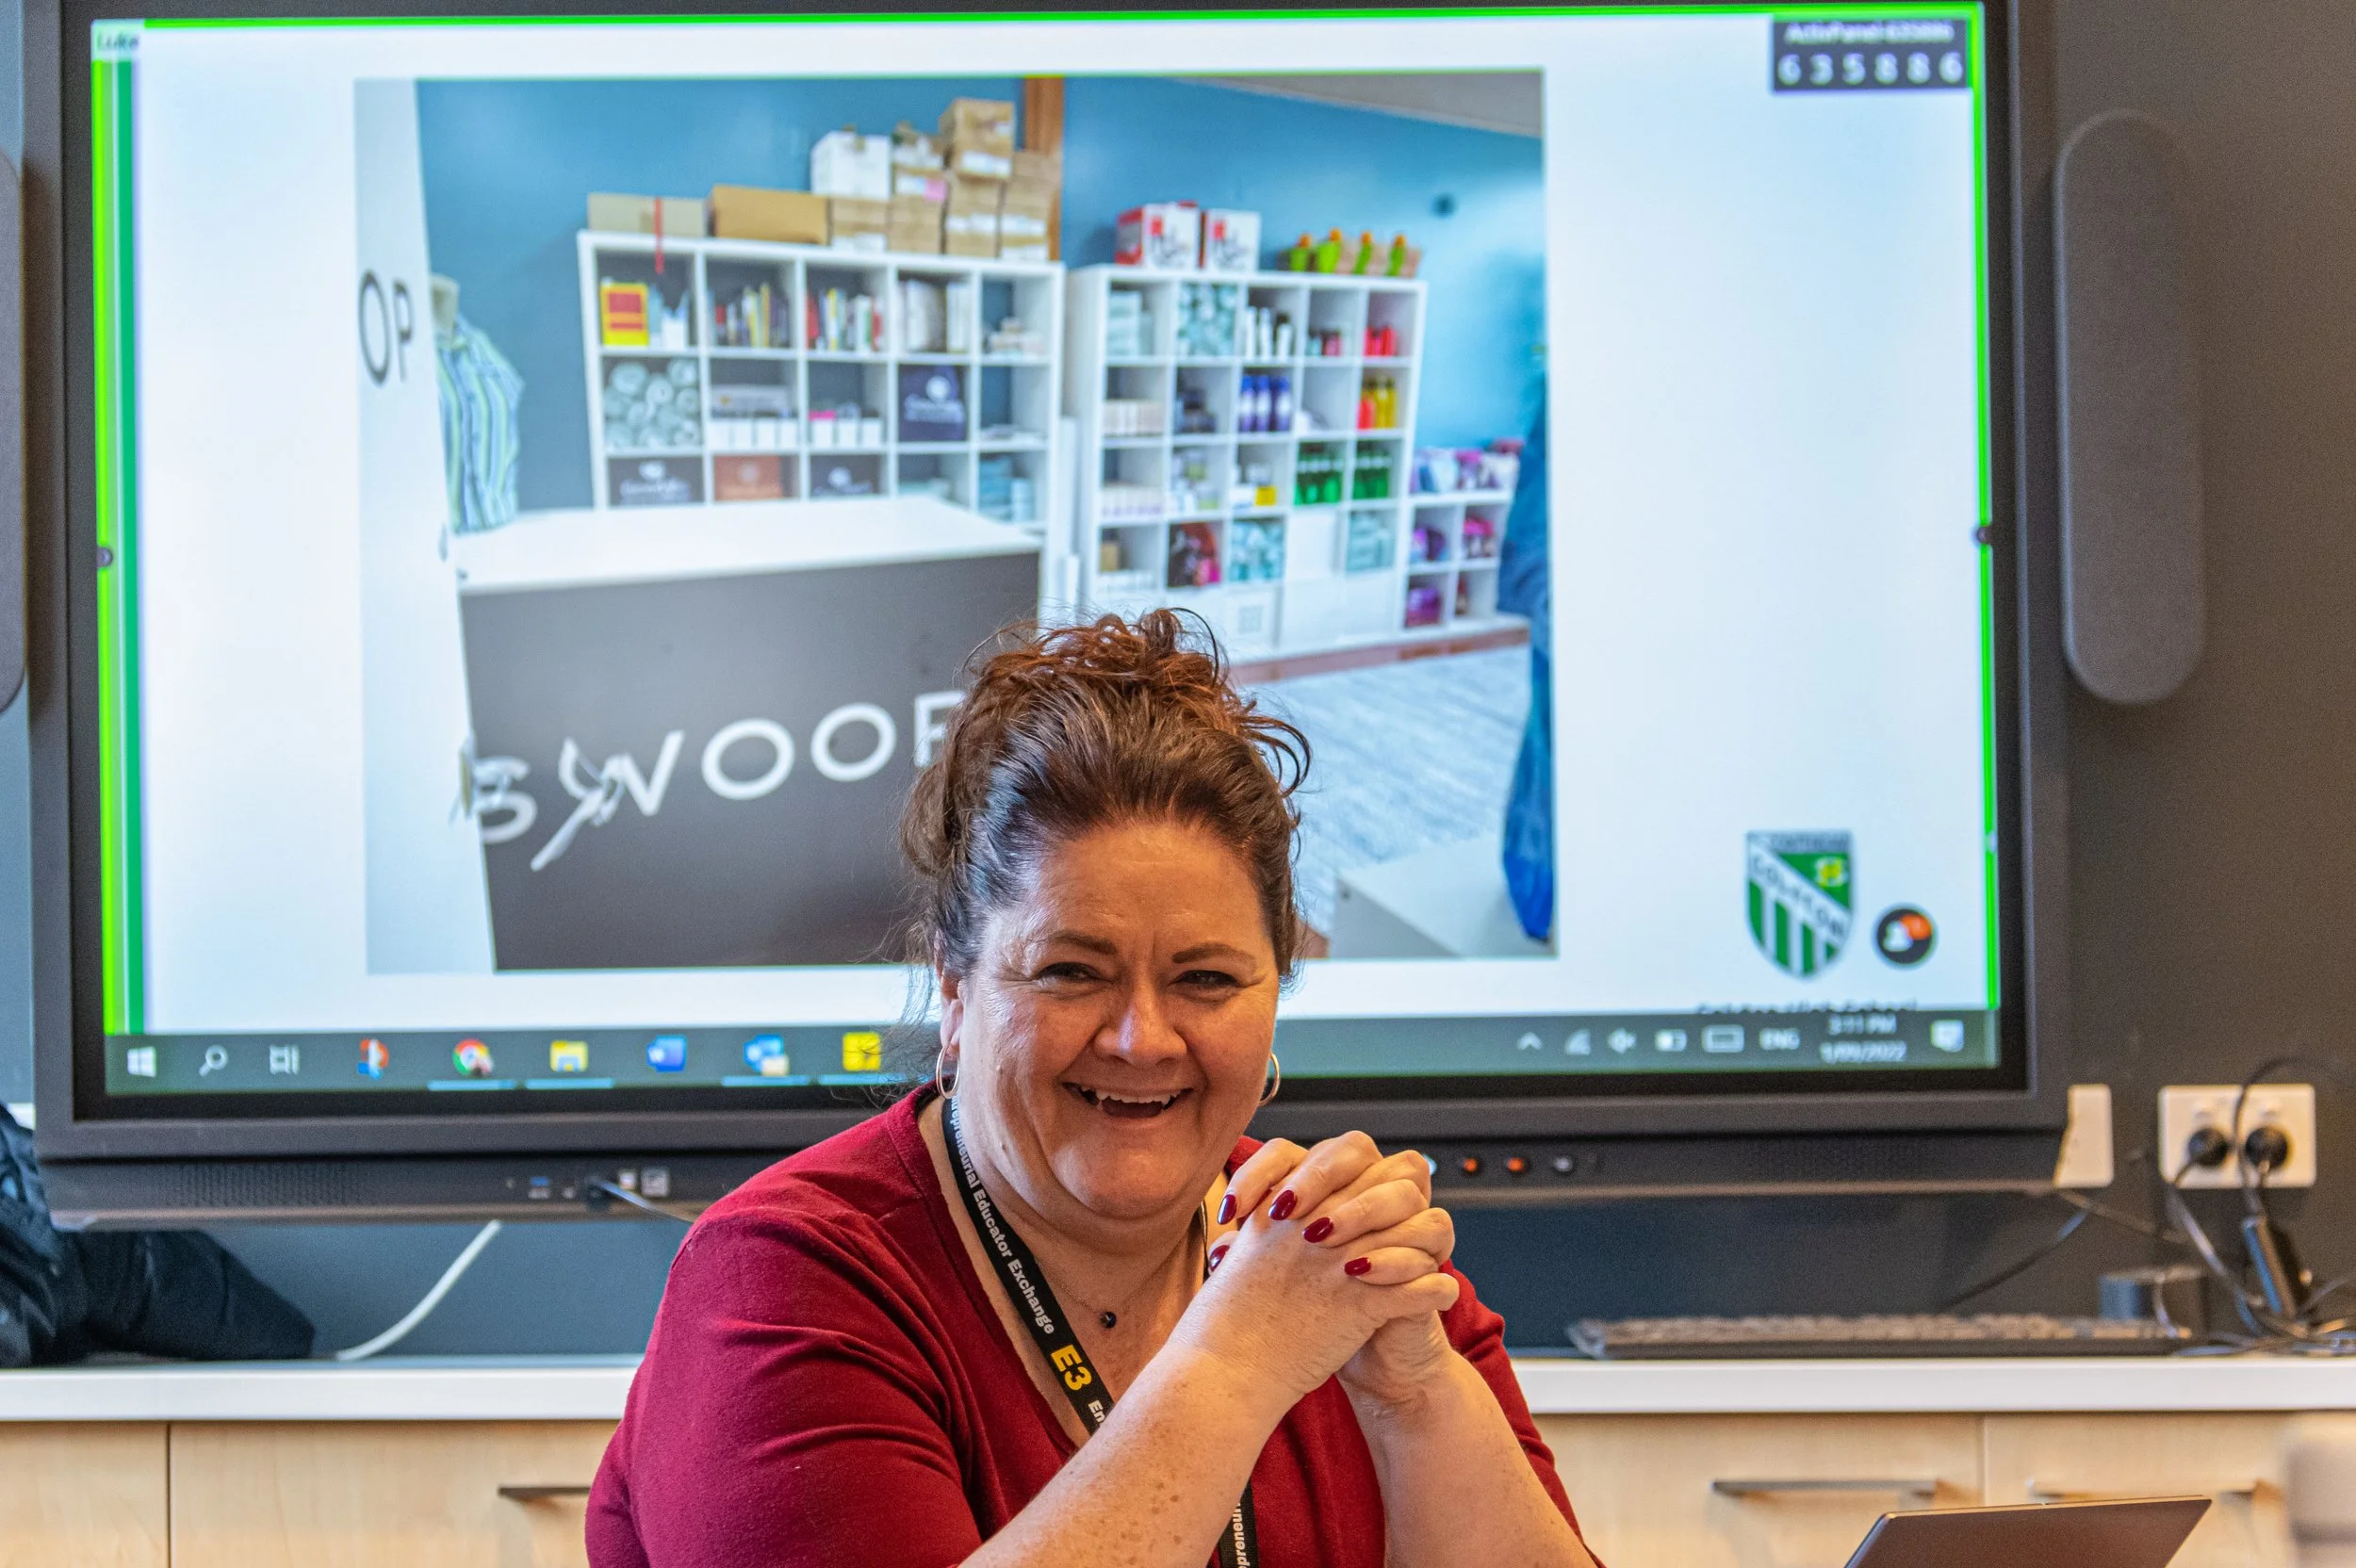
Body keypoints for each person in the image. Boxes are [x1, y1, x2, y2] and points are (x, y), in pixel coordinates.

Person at [587, 611, 1597, 1568]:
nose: (1142, 1038)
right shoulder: (784, 1281)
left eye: (1207, 978)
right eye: (1071, 970)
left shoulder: (1343, 1255)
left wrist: (1414, 1393)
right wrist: (1237, 1360)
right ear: (954, 982)